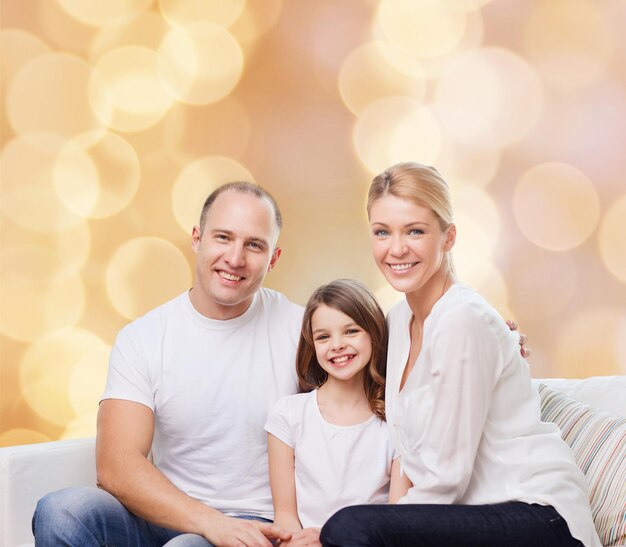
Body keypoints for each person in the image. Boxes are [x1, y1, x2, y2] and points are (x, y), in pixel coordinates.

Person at [320, 162, 601, 547]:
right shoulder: (398, 321)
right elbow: (404, 451)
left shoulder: (463, 320)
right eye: (382, 232)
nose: (396, 248)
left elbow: (445, 478)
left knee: (350, 529)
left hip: (536, 514)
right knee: (352, 528)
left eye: (415, 231)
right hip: (466, 514)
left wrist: (382, 528)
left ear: (448, 237)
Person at [32, 182, 303, 547]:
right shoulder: (145, 337)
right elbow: (115, 466)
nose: (235, 258)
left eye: (254, 245)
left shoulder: (303, 330)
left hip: (260, 527)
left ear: (273, 258)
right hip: (170, 515)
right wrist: (210, 522)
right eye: (223, 237)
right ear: (197, 238)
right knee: (61, 510)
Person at [265, 279, 411, 546]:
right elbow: (285, 517)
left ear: (374, 334)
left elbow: (395, 521)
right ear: (312, 345)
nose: (337, 345)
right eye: (323, 336)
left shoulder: (397, 420)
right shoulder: (288, 415)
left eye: (351, 331)